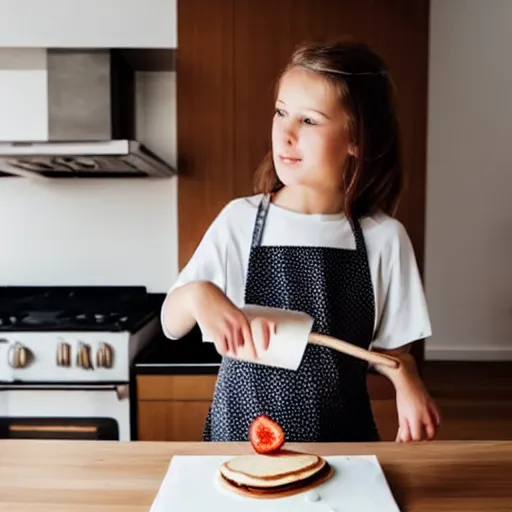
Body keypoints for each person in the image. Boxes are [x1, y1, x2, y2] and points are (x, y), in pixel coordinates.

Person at [161, 39, 441, 444]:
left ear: (356, 138)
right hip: (240, 442)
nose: (285, 133)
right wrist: (196, 296)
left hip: (342, 443)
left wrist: (407, 381)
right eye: (280, 112)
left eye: (308, 120)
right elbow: (172, 323)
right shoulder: (239, 221)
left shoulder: (384, 239)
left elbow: (395, 349)